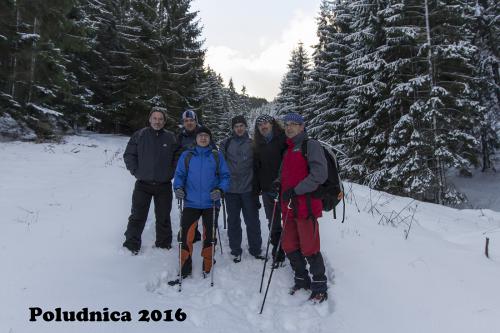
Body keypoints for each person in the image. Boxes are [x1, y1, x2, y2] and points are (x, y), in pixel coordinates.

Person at [275, 113, 329, 303]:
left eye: (293, 124)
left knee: (309, 247)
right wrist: (278, 183)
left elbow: (320, 174)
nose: (289, 128)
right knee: (289, 244)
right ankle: (301, 279)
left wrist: (296, 190)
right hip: (288, 206)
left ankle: (320, 285)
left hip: (306, 205)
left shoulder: (310, 145)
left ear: (302, 127)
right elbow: (284, 173)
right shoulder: (288, 149)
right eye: (286, 125)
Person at [173, 126, 231, 278]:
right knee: (185, 235)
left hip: (210, 203)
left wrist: (220, 190)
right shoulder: (187, 155)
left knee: (209, 236)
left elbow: (225, 176)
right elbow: (179, 175)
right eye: (200, 136)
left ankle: (208, 264)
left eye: (206, 135)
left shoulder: (216, 156)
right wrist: (178, 187)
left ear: (210, 138)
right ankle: (185, 266)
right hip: (190, 202)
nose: (203, 138)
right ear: (196, 138)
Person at [122, 107, 179, 254]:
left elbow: (177, 157)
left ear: (164, 121)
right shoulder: (139, 135)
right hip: (143, 184)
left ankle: (164, 244)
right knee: (137, 215)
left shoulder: (171, 137)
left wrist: (170, 173)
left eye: (161, 119)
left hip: (163, 185)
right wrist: (136, 171)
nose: (157, 121)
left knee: (163, 216)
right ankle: (131, 245)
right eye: (155, 118)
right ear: (150, 119)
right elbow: (129, 155)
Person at [221, 115, 264, 263]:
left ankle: (256, 249)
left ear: (245, 127)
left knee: (252, 221)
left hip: (248, 190)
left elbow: (259, 166)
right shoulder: (226, 144)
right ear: (233, 128)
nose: (239, 128)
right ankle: (235, 250)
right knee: (233, 221)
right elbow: (219, 165)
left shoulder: (253, 144)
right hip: (231, 191)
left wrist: (259, 186)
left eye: (241, 125)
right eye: (236, 126)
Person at [253, 114, 287, 267]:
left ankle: (292, 250)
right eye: (260, 125)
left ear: (272, 124)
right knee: (273, 222)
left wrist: (281, 182)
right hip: (267, 190)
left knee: (288, 221)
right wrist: (256, 189)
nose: (263, 126)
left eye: (266, 123)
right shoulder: (258, 145)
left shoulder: (283, 139)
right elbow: (257, 168)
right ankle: (277, 250)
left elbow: (288, 163)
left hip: (284, 189)